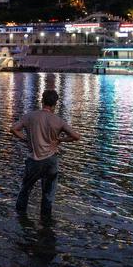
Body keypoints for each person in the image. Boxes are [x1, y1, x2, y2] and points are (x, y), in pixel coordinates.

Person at [10, 90, 80, 223]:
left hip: (34, 161)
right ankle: (46, 225)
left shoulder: (30, 116)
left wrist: (26, 139)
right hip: (51, 161)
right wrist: (60, 140)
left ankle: (20, 221)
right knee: (48, 195)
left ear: (42, 101)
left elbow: (13, 129)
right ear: (55, 104)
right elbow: (76, 136)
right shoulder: (58, 121)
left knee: (25, 191)